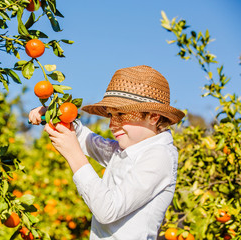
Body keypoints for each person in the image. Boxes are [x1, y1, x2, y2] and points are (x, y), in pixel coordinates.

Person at [28, 65, 185, 239]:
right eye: (111, 115)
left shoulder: (159, 157)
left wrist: (74, 155)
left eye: (121, 115)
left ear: (153, 117)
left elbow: (107, 210)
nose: (112, 125)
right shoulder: (128, 149)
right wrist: (52, 115)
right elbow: (88, 140)